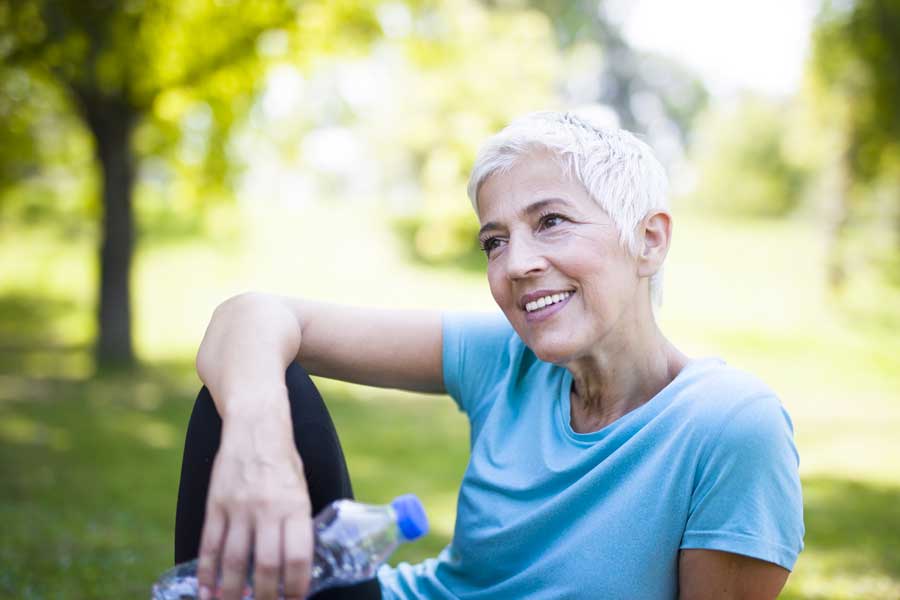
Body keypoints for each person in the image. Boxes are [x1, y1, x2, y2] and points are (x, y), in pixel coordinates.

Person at [174, 111, 805, 600]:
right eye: (494, 241)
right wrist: (261, 452)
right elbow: (249, 316)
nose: (517, 264)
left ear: (648, 239)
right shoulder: (506, 358)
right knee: (250, 387)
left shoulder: (731, 425)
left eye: (551, 221)